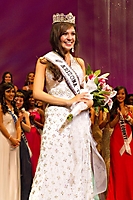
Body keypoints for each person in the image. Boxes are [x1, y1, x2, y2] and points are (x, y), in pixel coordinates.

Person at [29, 12, 107, 200]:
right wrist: (67, 102)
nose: (70, 38)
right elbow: (37, 93)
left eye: (72, 34)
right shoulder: (45, 62)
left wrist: (89, 101)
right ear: (57, 35)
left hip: (79, 121)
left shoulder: (79, 62)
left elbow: (83, 92)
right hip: (57, 119)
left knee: (77, 165)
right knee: (55, 164)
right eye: (65, 34)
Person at [106, 86, 133, 200]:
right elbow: (110, 125)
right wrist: (118, 117)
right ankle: (117, 195)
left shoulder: (130, 108)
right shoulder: (111, 108)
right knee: (117, 168)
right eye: (118, 94)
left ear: (125, 95)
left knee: (129, 168)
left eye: (122, 93)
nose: (120, 96)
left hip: (129, 139)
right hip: (116, 141)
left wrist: (127, 117)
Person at [0, 82, 21, 200]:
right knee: (4, 166)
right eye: (8, 91)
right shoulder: (1, 107)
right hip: (4, 139)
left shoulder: (14, 108)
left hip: (14, 141)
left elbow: (18, 125)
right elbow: (0, 125)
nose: (11, 94)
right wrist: (11, 138)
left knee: (13, 167)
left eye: (12, 91)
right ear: (3, 93)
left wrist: (17, 138)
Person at [15, 90, 32, 200]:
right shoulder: (9, 110)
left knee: (25, 168)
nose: (18, 102)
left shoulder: (24, 113)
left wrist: (19, 121)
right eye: (17, 100)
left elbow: (28, 128)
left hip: (21, 140)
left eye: (21, 100)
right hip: (11, 139)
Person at [25, 90, 45, 177]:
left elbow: (44, 126)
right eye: (30, 97)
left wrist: (34, 122)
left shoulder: (40, 111)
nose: (32, 99)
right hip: (27, 135)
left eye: (33, 97)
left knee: (36, 157)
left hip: (36, 136)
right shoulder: (24, 111)